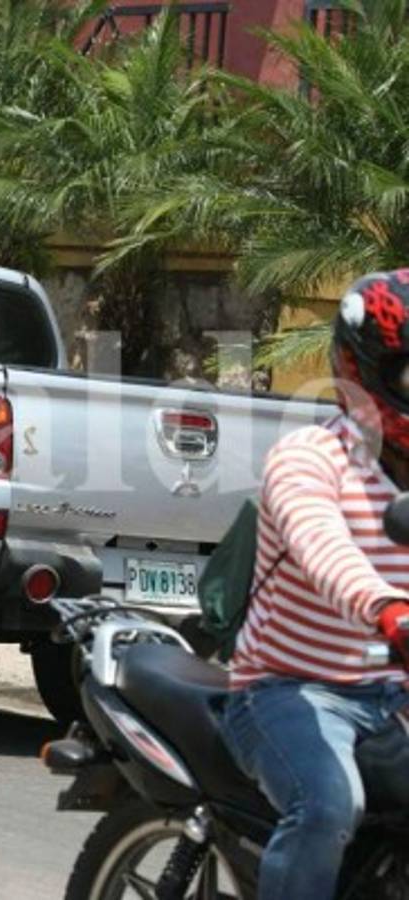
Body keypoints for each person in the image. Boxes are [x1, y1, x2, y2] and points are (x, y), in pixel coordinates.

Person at [221, 270, 409, 900]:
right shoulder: (309, 459)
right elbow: (322, 545)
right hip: (284, 690)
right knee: (328, 805)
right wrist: (387, 608)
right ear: (360, 369)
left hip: (391, 697)